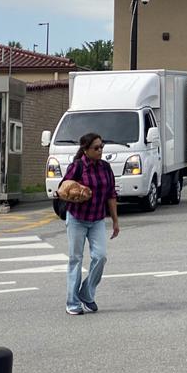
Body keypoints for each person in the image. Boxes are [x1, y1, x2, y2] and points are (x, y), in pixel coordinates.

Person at [61, 133, 119, 315]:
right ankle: (72, 301)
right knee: (75, 259)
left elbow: (111, 194)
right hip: (77, 218)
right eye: (96, 148)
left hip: (97, 219)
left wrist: (115, 221)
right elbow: (63, 187)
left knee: (100, 257)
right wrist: (76, 192)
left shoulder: (105, 167)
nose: (100, 150)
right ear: (86, 150)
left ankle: (86, 293)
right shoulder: (77, 166)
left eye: (102, 146)